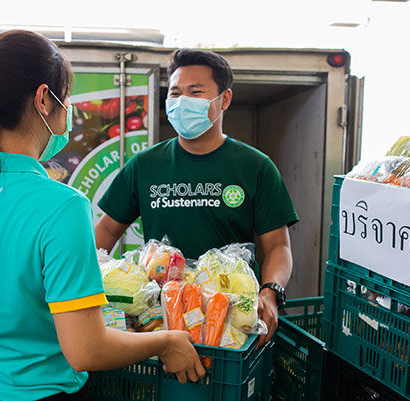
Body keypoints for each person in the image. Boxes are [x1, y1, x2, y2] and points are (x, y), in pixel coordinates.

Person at [0, 30, 204, 401]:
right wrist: (166, 341)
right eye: (66, 97)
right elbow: (85, 350)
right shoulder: (60, 206)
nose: (69, 108)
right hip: (41, 394)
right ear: (44, 99)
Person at [95, 49, 299, 347]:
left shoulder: (255, 166)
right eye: (175, 93)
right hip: (160, 321)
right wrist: (81, 285)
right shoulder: (145, 165)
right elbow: (106, 231)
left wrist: (270, 291)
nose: (181, 102)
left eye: (195, 92)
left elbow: (278, 246)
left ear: (224, 99)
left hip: (231, 317)